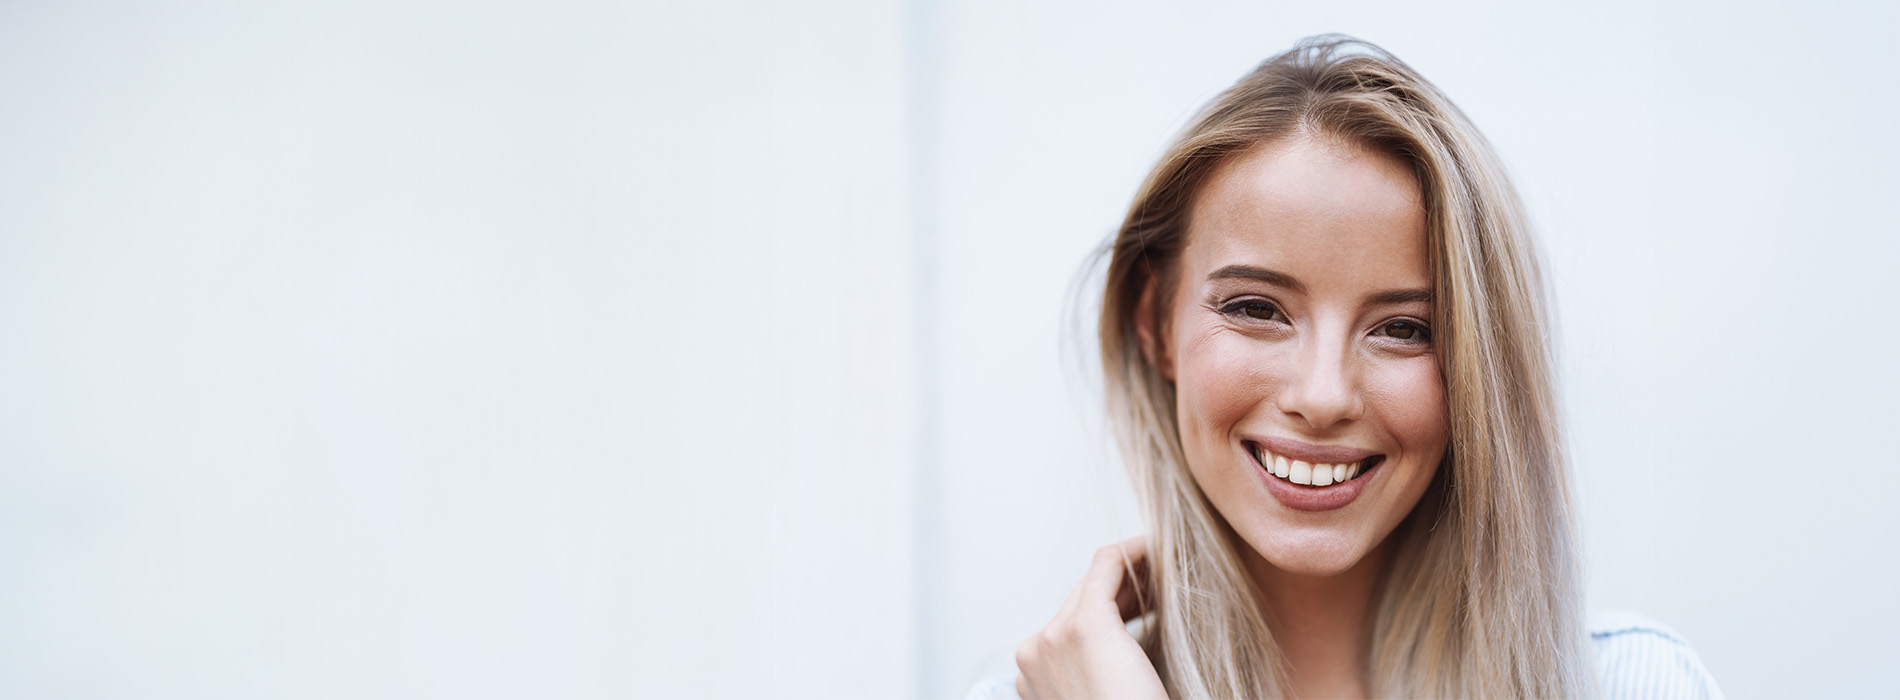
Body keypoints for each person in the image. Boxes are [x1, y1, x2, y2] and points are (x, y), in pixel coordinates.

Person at [970, 36, 1723, 699]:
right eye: (1256, 310)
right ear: (1153, 322)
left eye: (1403, 328)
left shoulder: (1634, 687)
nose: (1323, 395)